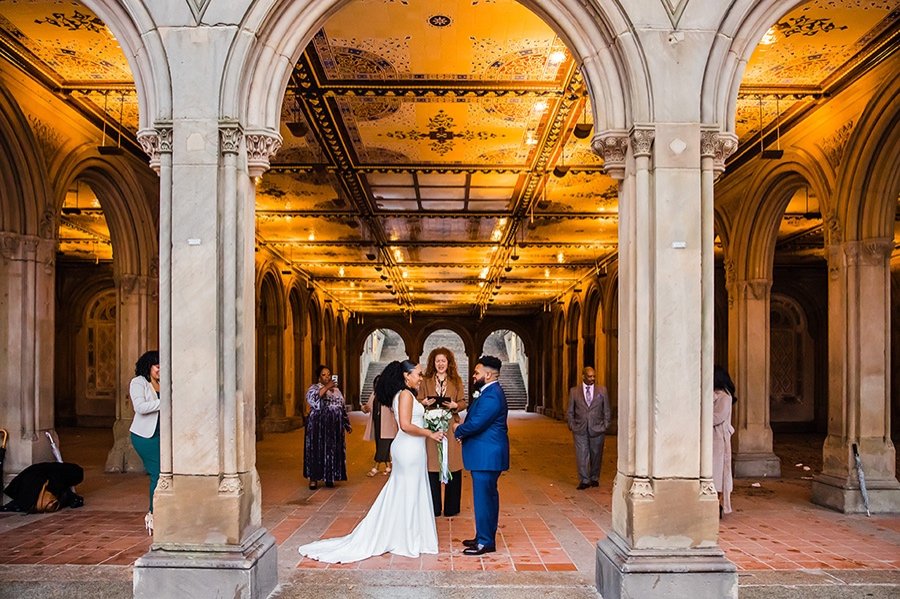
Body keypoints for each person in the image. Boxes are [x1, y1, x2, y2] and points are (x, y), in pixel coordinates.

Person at [298, 360, 444, 563]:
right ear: (406, 376)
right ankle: (408, 538)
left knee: (406, 491)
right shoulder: (405, 395)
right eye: (418, 374)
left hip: (411, 449)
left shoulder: (406, 395)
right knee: (409, 491)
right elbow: (405, 425)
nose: (421, 378)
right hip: (409, 449)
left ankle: (406, 533)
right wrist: (430, 432)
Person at [453, 355, 509, 556]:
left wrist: (459, 430)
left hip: (487, 456)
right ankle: (483, 535)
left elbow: (477, 423)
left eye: (476, 373)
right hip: (485, 454)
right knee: (487, 498)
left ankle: (486, 542)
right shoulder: (488, 392)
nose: (473, 376)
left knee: (484, 499)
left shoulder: (492, 394)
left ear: (488, 374)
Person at [419, 347, 468, 517]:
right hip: (431, 427)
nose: (440, 364)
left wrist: (456, 406)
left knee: (453, 463)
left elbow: (463, 402)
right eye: (437, 361)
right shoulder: (425, 381)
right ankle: (433, 507)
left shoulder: (456, 381)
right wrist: (424, 402)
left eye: (443, 361)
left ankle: (451, 507)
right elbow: (418, 401)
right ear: (433, 362)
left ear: (449, 363)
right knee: (432, 465)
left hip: (450, 426)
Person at [304, 365, 351, 490]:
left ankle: (329, 477)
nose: (327, 377)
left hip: (333, 427)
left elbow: (341, 406)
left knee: (331, 450)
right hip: (317, 426)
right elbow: (313, 400)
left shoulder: (336, 391)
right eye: (324, 375)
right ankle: (313, 479)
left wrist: (346, 424)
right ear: (319, 377)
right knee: (316, 450)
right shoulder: (313, 388)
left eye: (329, 374)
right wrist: (326, 388)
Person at [129, 350, 160, 535]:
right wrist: (165, 402)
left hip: (163, 435)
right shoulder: (138, 383)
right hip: (145, 436)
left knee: (167, 474)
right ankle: (153, 514)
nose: (160, 369)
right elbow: (139, 407)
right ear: (148, 366)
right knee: (157, 473)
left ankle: (162, 511)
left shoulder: (164, 382)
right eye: (157, 366)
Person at [566, 366, 610, 490]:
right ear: (583, 376)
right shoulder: (574, 391)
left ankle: (594, 477)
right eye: (590, 376)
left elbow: (606, 409)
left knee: (596, 454)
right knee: (582, 454)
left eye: (594, 376)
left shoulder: (602, 390)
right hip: (580, 429)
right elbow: (570, 411)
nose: (592, 379)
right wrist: (572, 425)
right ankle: (584, 480)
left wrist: (606, 425)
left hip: (598, 428)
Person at [361, 374, 397, 477]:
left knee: (383, 446)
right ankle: (389, 466)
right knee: (381, 445)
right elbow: (367, 408)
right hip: (377, 424)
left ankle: (375, 467)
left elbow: (394, 409)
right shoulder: (374, 394)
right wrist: (364, 408)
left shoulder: (390, 395)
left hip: (388, 426)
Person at [713, 365, 736, 517]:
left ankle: (718, 503)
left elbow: (718, 417)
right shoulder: (714, 395)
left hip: (718, 440)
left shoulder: (725, 397)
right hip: (712, 439)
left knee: (718, 472)